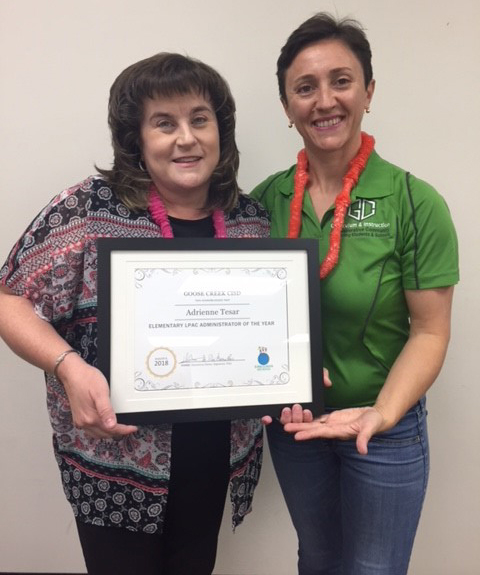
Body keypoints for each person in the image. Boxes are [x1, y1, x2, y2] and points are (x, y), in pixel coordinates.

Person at [0, 53, 269, 575]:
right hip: (113, 469)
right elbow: (9, 299)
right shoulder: (87, 211)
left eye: (199, 118)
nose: (186, 138)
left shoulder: (250, 220)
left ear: (221, 129)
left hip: (215, 460)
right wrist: (69, 367)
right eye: (163, 123)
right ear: (135, 137)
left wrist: (292, 376)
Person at [252, 13, 458, 575]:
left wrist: (381, 414)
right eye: (304, 87)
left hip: (384, 429)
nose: (324, 100)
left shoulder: (416, 202)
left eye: (341, 81)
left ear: (368, 91)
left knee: (374, 569)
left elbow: (431, 330)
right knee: (317, 560)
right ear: (286, 105)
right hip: (296, 427)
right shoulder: (260, 204)